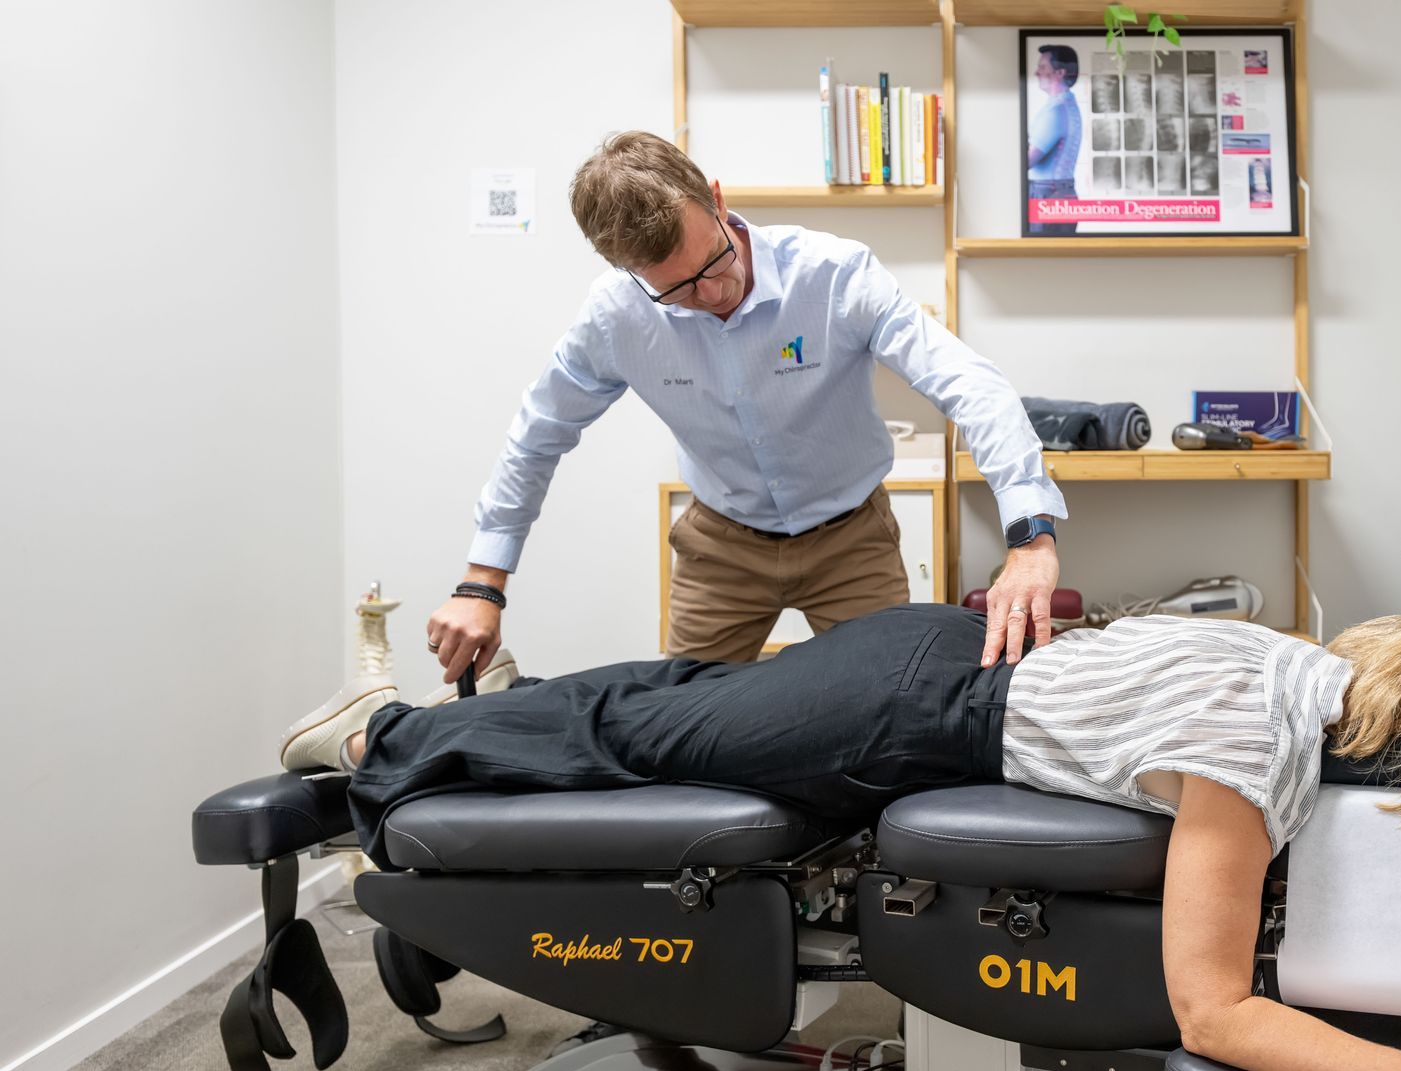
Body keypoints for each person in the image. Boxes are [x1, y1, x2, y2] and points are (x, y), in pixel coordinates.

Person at [277, 603, 1401, 1071]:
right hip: (903, 716)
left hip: (936, 654)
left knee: (667, 707)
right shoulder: (1255, 749)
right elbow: (1219, 1013)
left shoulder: (1287, 656)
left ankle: (477, 722)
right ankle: (390, 736)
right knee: (643, 728)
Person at [426, 131, 1068, 679]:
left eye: (714, 259)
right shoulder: (615, 317)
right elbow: (539, 434)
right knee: (687, 726)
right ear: (630, 275)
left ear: (718, 200)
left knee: (893, 707)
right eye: (677, 289)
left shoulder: (835, 275)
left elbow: (967, 381)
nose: (712, 292)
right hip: (720, 548)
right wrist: (484, 581)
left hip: (852, 539)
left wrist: (1030, 538)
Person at [1026, 45, 1084, 236]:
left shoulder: (1056, 111)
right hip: (1058, 192)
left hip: (1048, 195)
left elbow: (1027, 160)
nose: (1036, 72)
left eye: (1042, 67)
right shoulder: (1067, 105)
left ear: (1059, 72)